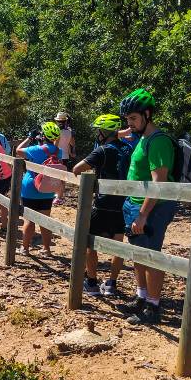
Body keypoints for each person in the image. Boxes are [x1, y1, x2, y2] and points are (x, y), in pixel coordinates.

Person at [119, 88, 178, 325]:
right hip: (134, 204)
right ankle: (141, 295)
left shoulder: (159, 140)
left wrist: (143, 215)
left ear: (147, 114)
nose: (129, 124)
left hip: (153, 207)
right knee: (137, 251)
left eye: (133, 118)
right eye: (127, 119)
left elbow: (158, 182)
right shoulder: (141, 137)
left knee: (152, 254)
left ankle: (154, 305)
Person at [72, 114, 132, 296]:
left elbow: (77, 169)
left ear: (104, 132)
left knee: (90, 244)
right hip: (123, 204)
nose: (97, 134)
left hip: (103, 205)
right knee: (118, 246)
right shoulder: (129, 149)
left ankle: (91, 282)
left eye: (99, 130)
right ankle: (112, 283)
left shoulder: (102, 151)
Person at [16, 121, 63, 256]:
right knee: (45, 220)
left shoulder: (35, 150)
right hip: (48, 189)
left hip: (30, 187)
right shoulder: (58, 152)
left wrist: (29, 138)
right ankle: (47, 249)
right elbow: (53, 148)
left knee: (29, 220)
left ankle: (25, 248)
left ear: (43, 135)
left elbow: (18, 151)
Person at [53, 111, 76, 206]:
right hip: (65, 156)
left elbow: (55, 146)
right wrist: (71, 152)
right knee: (62, 177)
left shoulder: (57, 132)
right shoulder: (69, 131)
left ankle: (59, 197)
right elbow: (72, 143)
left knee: (57, 176)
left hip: (58, 156)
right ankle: (59, 196)